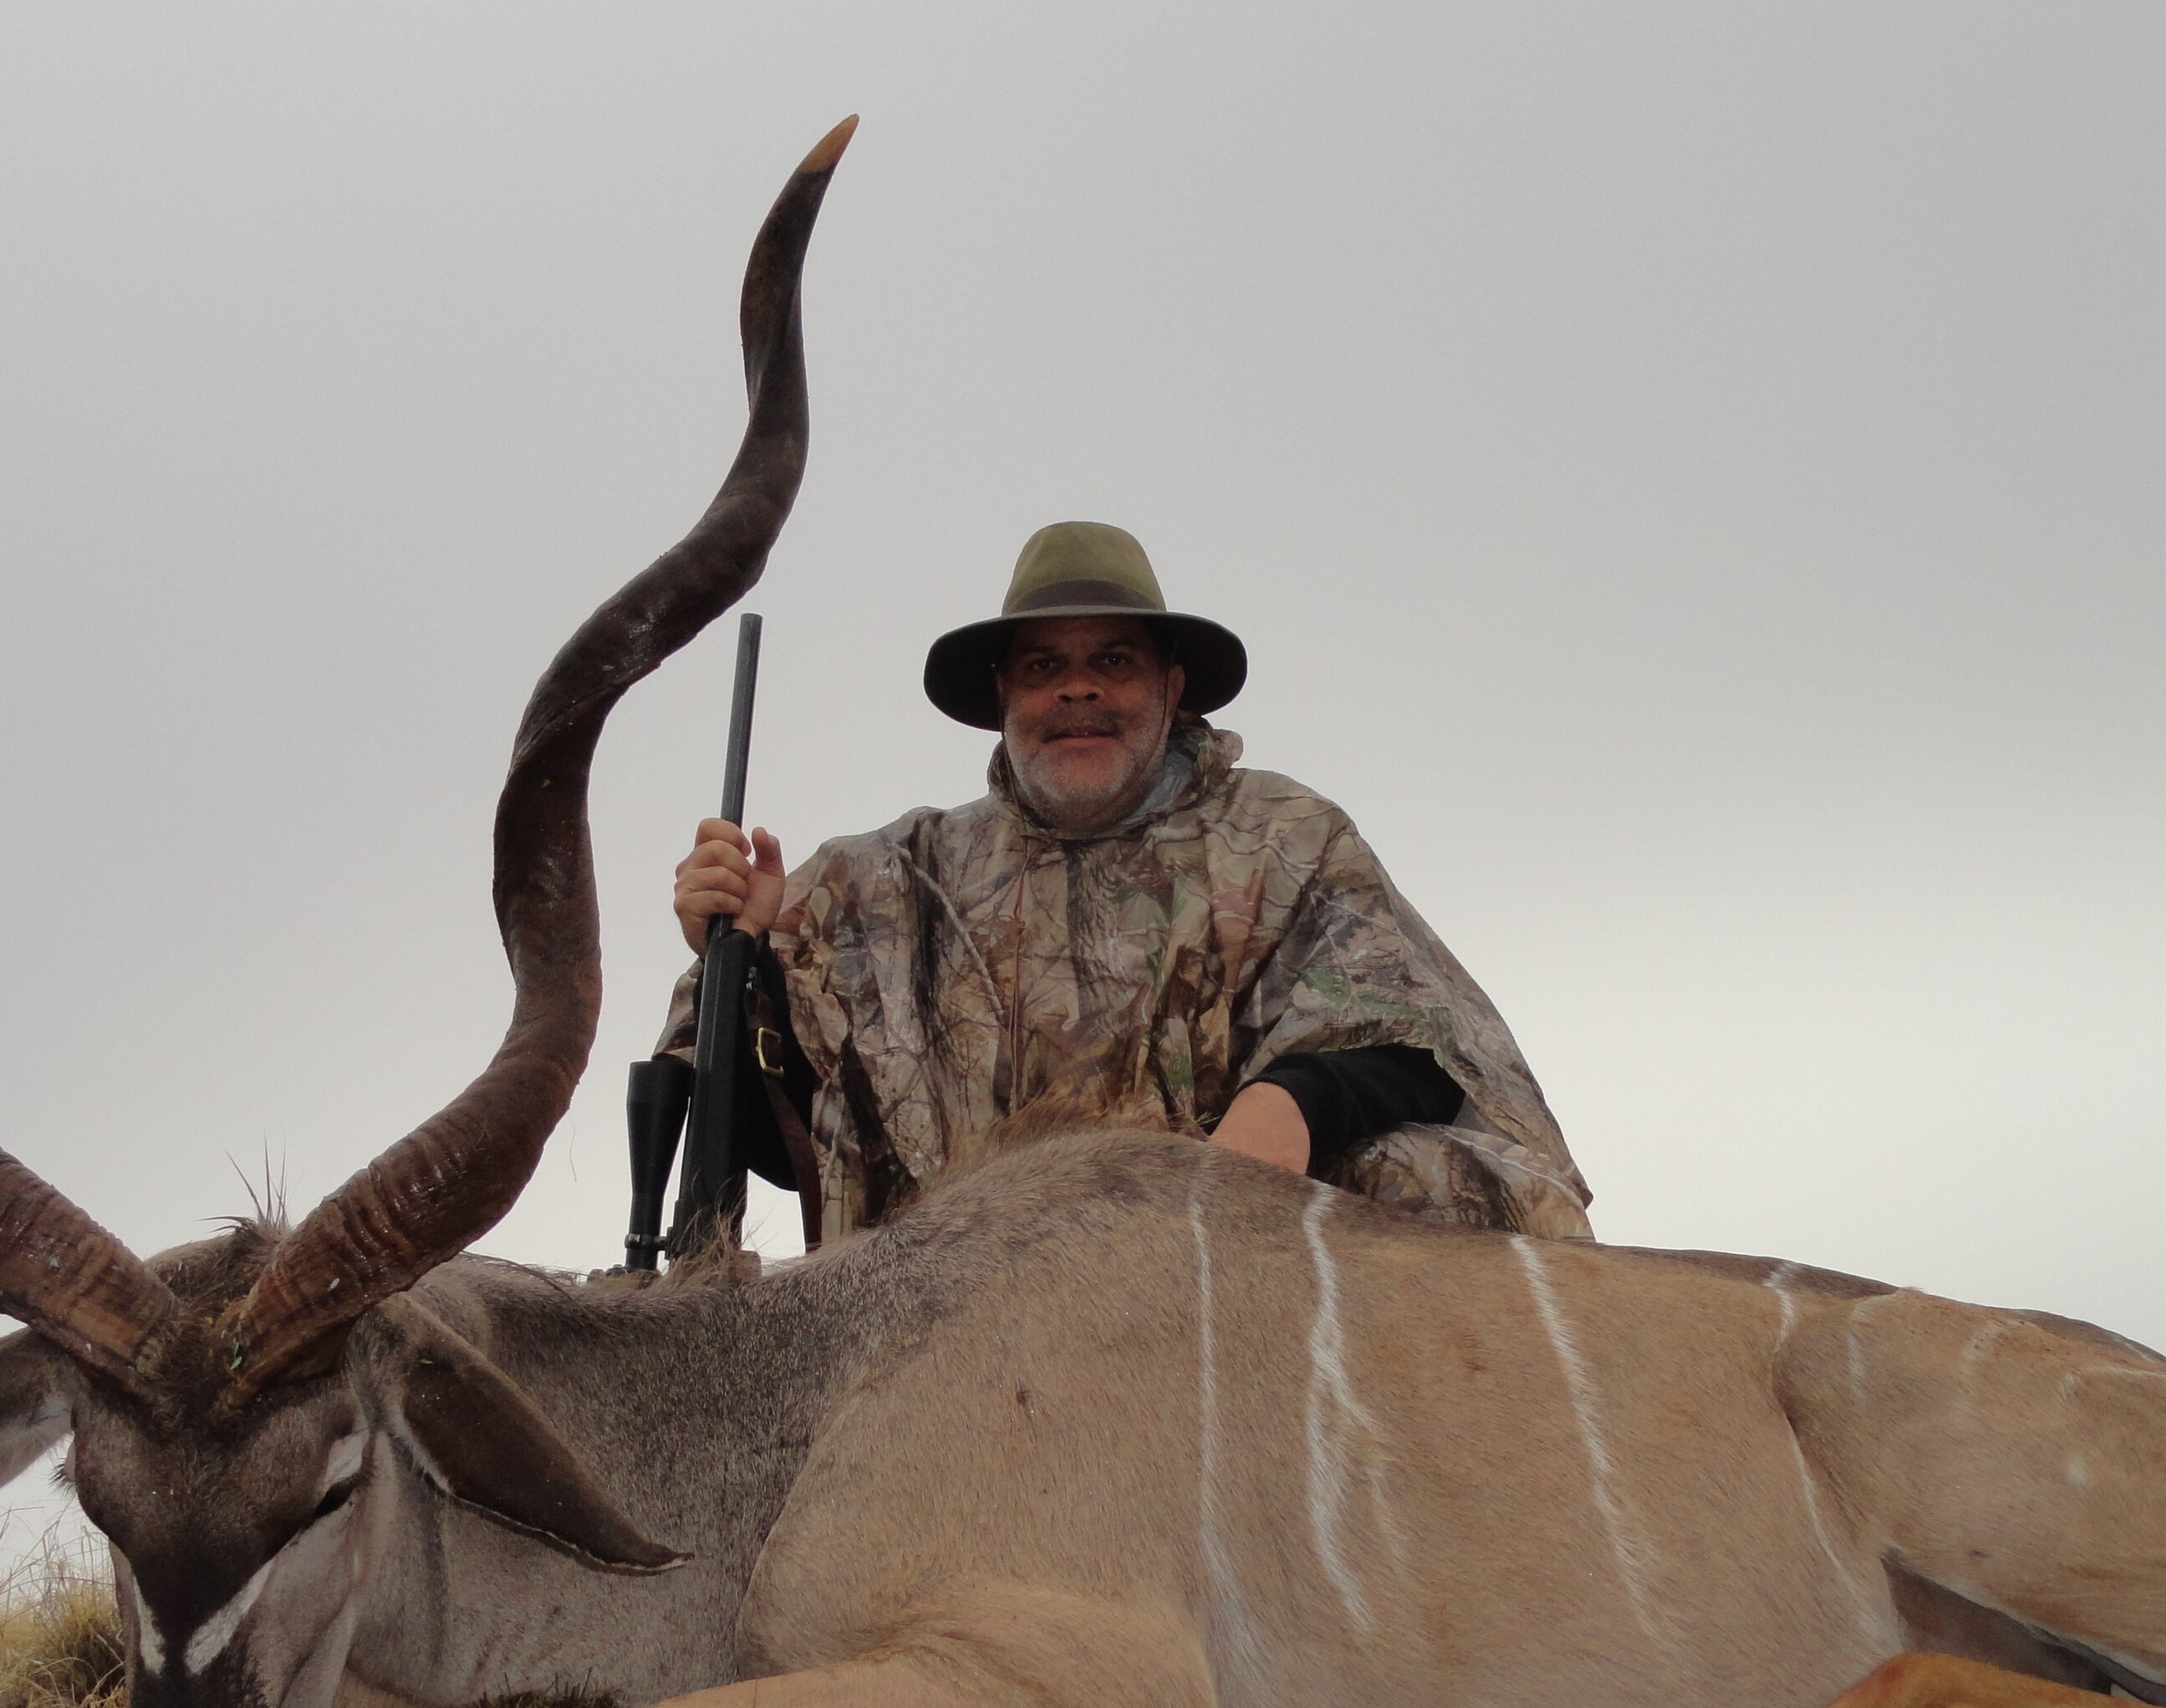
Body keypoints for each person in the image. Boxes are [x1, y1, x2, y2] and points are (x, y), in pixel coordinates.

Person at [660, 520, 1593, 1247]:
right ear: (1003, 698)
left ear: (1172, 683)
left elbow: (1421, 1049)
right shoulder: (876, 886)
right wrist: (747, 963)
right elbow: (779, 1147)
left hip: (1222, 1298)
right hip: (942, 1337)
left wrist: (1291, 1104)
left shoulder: (1284, 838)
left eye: (1112, 661)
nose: (1077, 691)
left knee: (1427, 1172)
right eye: (1043, 667)